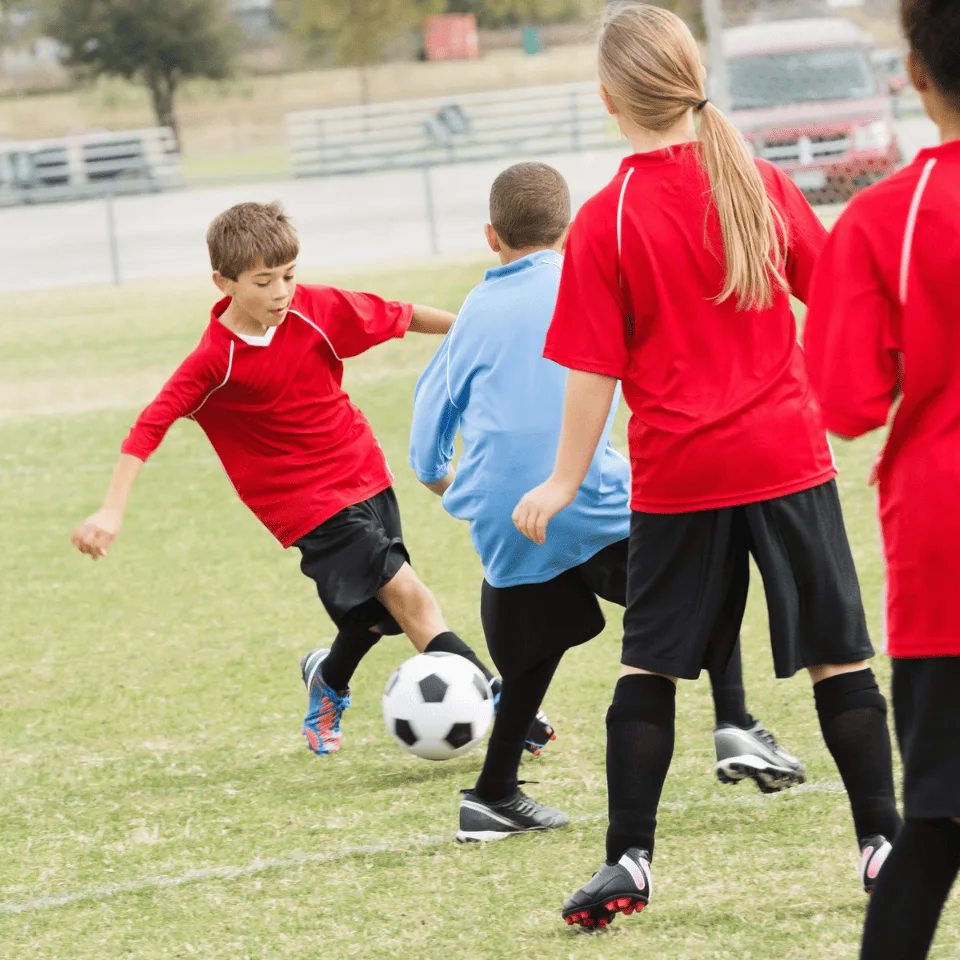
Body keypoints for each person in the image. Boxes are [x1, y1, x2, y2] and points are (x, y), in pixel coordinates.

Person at [511, 4, 901, 929]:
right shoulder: (757, 181)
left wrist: (563, 480)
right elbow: (841, 298)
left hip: (680, 477)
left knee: (649, 672)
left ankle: (629, 862)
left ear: (608, 98)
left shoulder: (605, 220)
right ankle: (883, 845)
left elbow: (593, 371)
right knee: (839, 660)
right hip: (787, 459)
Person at [409, 161, 805, 844]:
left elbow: (424, 454)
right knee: (706, 573)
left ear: (490, 237)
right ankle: (735, 722)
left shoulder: (469, 314)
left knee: (533, 643)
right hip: (587, 494)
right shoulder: (586, 281)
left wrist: (469, 493)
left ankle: (492, 795)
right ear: (568, 233)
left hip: (505, 518)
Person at [70, 202, 552, 759]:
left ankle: (328, 677)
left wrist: (483, 332)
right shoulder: (213, 362)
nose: (281, 292)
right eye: (263, 282)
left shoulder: (314, 309)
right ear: (223, 283)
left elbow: (401, 316)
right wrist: (112, 509)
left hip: (363, 471)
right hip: (305, 504)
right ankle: (506, 703)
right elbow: (148, 427)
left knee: (376, 616)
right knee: (412, 599)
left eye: (289, 276)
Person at [804, 1, 960, 955]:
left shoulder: (884, 217)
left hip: (945, 544)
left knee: (938, 815)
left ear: (916, 72)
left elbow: (848, 399)